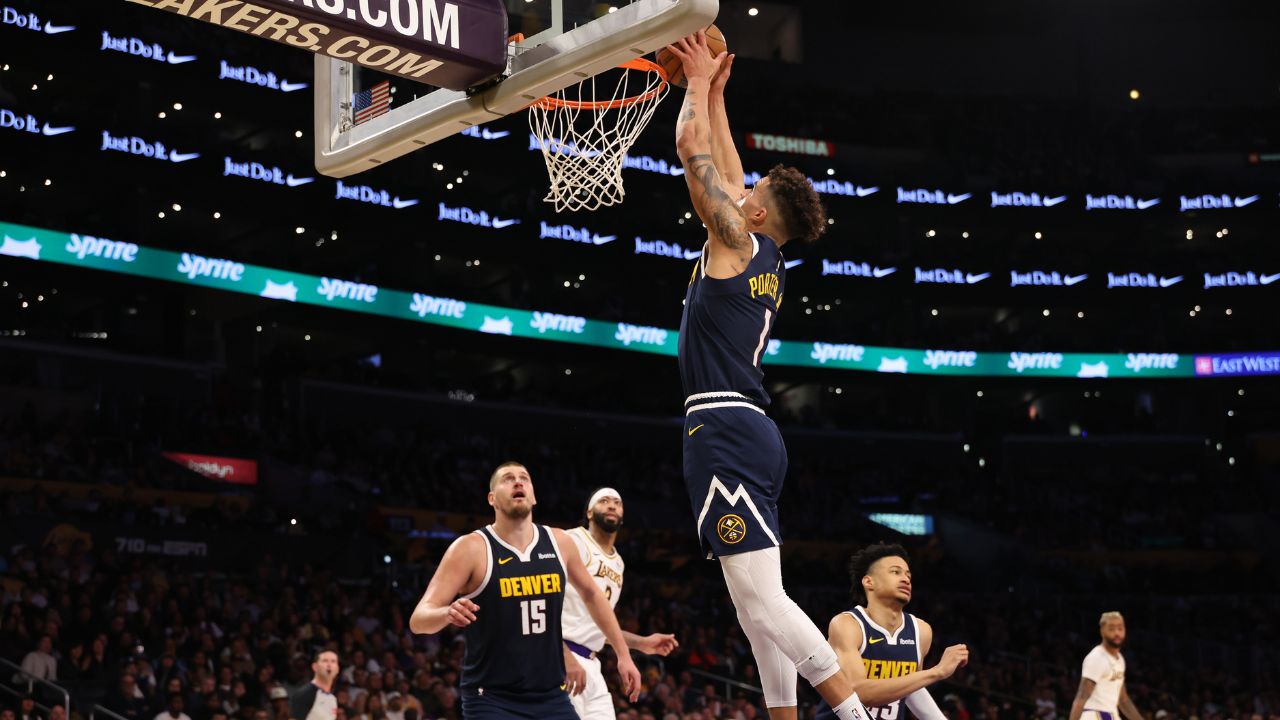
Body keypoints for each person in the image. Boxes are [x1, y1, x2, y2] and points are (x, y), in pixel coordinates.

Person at [665, 32, 864, 720]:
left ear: (752, 212)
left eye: (746, 190)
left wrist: (693, 85)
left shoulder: (736, 239)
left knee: (760, 601)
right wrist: (720, 91)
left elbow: (693, 152)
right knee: (758, 607)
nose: (737, 184)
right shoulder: (763, 255)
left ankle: (851, 710)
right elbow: (722, 160)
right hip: (749, 431)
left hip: (722, 427)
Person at [408, 462, 642, 720]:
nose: (518, 482)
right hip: (492, 698)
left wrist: (623, 655)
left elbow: (592, 595)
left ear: (533, 496)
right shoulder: (470, 548)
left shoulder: (559, 542)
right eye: (508, 479)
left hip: (551, 694)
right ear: (492, 498)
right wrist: (446, 613)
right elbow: (419, 620)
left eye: (524, 478)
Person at [560, 488, 680, 719]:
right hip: (560, 657)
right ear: (590, 512)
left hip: (591, 665)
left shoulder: (618, 564)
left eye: (617, 502)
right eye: (604, 501)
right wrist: (561, 654)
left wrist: (642, 643)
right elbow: (541, 602)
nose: (612, 505)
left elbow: (601, 626)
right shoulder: (572, 540)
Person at [817, 544, 969, 720]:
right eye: (895, 572)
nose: (905, 579)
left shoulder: (921, 630)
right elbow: (857, 692)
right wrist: (937, 671)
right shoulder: (848, 624)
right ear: (869, 582)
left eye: (908, 575)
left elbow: (912, 688)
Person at [1067, 612, 1144, 720]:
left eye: (1120, 628)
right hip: (1094, 714)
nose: (1117, 633)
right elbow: (1081, 697)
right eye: (1111, 629)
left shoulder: (1120, 659)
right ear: (1102, 631)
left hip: (1111, 714)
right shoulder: (1097, 658)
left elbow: (1123, 700)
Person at [289, 651, 339, 720]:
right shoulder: (304, 694)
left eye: (333, 661)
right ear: (315, 667)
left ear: (337, 669)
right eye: (325, 661)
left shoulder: (332, 699)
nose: (329, 664)